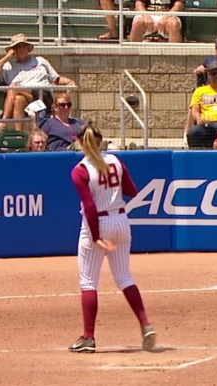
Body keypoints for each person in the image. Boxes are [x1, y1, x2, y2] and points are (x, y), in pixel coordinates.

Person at [69, 124, 156, 353]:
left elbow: (89, 205)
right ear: (101, 141)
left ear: (81, 142)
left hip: (97, 223)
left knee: (88, 282)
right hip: (121, 220)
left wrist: (97, 236)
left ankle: (88, 338)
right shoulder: (116, 161)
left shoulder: (80, 169)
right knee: (125, 277)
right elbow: (132, 190)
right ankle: (145, 324)